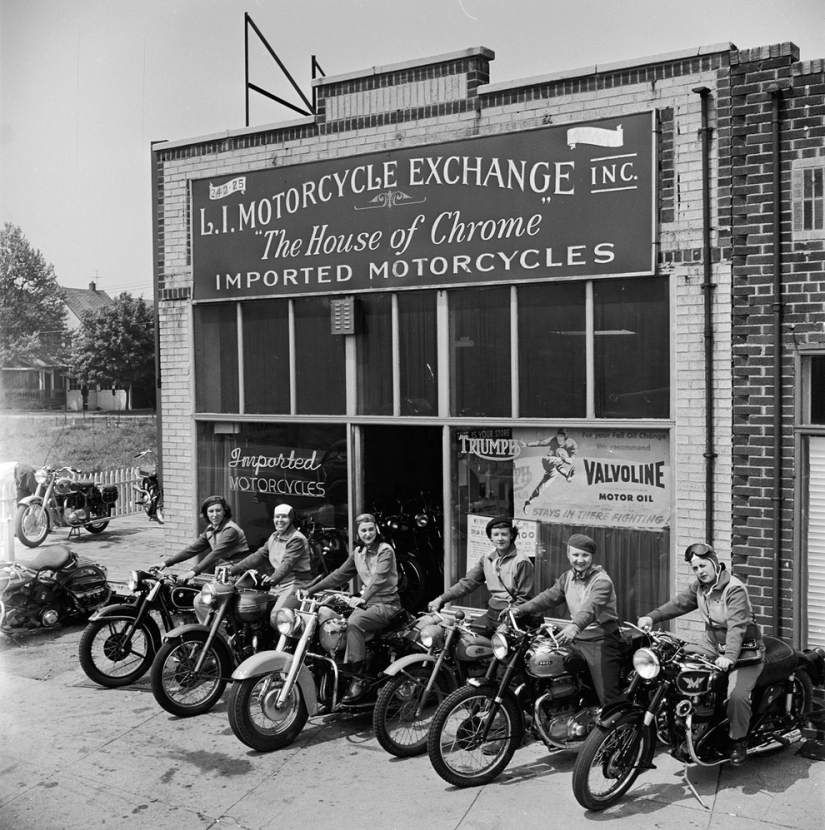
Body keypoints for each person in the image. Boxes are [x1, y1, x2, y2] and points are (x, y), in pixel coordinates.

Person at [638, 542, 764, 767]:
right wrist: (652, 617)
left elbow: (737, 627)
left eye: (703, 565)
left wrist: (730, 656)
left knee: (737, 696)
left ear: (714, 563)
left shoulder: (733, 588)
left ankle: (738, 740)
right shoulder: (701, 587)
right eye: (695, 568)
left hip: (743, 649)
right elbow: (679, 604)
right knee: (673, 662)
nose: (700, 571)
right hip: (712, 644)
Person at [512, 533, 625, 707]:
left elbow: (591, 608)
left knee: (608, 698)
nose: (580, 560)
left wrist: (575, 626)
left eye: (585, 555)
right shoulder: (568, 577)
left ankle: (614, 721)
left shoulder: (601, 581)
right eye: (576, 554)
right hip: (575, 638)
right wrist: (520, 610)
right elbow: (548, 597)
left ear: (592, 557)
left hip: (600, 640)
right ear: (568, 554)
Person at [305, 513, 402, 702]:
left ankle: (359, 676)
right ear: (357, 533)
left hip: (387, 604)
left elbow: (379, 579)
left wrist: (362, 598)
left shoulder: (385, 550)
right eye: (363, 530)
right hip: (367, 603)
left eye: (371, 529)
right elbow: (338, 575)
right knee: (330, 619)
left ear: (376, 530)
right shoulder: (358, 552)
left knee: (354, 622)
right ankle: (332, 674)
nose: (367, 534)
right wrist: (311, 590)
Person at [428, 515, 534, 636]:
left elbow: (524, 598)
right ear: (490, 537)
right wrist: (440, 599)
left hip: (515, 618)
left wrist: (507, 623)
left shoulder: (521, 561)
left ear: (511, 535)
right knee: (466, 638)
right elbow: (467, 583)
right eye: (496, 534)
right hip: (492, 614)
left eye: (504, 534)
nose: (500, 538)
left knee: (503, 646)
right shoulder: (487, 558)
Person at [161, 495, 250, 622]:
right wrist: (166, 563)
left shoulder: (230, 530)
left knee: (201, 601)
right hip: (224, 576)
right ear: (206, 514)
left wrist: (193, 572)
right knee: (202, 602)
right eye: (211, 511)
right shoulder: (211, 530)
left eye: (218, 510)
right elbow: (192, 549)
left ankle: (217, 634)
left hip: (238, 577)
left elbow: (215, 554)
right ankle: (211, 632)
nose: (215, 515)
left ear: (224, 511)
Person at [228, 503, 315, 615]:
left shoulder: (296, 539)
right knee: (254, 609)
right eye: (277, 517)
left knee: (277, 615)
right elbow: (257, 556)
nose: (280, 520)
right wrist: (232, 571)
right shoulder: (274, 537)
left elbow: (287, 563)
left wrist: (272, 579)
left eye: (284, 517)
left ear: (291, 519)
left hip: (296, 584)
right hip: (278, 585)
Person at [523, 428, 578, 511]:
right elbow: (540, 443)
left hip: (556, 468)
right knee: (557, 460)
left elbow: (570, 461)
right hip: (548, 460)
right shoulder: (553, 439)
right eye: (558, 436)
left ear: (565, 437)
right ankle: (567, 475)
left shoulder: (572, 444)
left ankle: (529, 502)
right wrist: (527, 444)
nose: (559, 439)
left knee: (543, 486)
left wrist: (564, 459)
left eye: (561, 437)